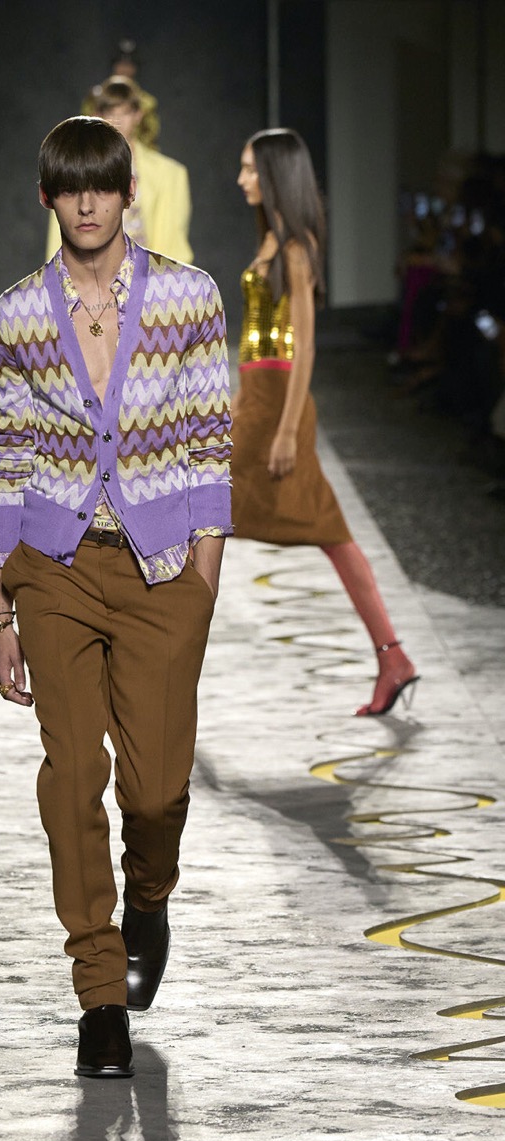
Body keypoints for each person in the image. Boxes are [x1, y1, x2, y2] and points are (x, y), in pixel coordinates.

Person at [0, 116, 232, 1078]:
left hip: (164, 570)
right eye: (69, 186)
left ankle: (150, 895)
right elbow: (7, 462)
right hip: (54, 564)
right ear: (49, 197)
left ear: (129, 193)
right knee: (72, 775)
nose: (87, 203)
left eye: (102, 185)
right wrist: (1, 610)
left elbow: (211, 441)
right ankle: (99, 992)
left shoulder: (189, 297)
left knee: (157, 789)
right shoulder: (16, 314)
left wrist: (203, 582)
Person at [231, 128, 418, 716]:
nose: (241, 179)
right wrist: (240, 401)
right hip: (256, 401)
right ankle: (393, 657)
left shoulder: (294, 247)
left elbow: (304, 347)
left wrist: (287, 429)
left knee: (206, 518)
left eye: (250, 169)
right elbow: (258, 341)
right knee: (319, 535)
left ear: (275, 175)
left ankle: (159, 668)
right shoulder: (271, 239)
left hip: (278, 407)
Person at [46, 76, 193, 264]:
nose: (117, 120)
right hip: (88, 274)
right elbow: (60, 237)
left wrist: (166, 280)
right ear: (98, 115)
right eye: (110, 112)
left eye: (125, 112)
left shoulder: (170, 174)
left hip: (151, 277)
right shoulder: (72, 170)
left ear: (138, 115)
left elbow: (174, 245)